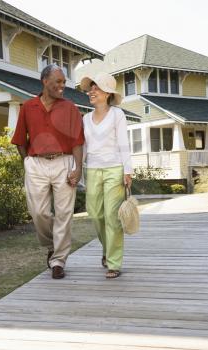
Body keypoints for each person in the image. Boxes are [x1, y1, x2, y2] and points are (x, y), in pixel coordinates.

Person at [11, 64, 84, 279]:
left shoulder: (70, 108)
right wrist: (28, 163)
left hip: (64, 162)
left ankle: (58, 260)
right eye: (58, 81)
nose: (62, 86)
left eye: (64, 82)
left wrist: (78, 168)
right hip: (36, 164)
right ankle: (52, 244)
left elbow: (78, 141)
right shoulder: (28, 107)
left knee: (64, 213)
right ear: (45, 81)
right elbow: (19, 141)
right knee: (39, 212)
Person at [81, 72, 133, 279]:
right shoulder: (85, 118)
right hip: (92, 170)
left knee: (112, 216)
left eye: (96, 87)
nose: (91, 90)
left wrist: (127, 170)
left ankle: (114, 262)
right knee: (95, 214)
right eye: (90, 87)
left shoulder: (117, 114)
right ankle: (106, 249)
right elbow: (84, 147)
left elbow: (123, 143)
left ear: (108, 93)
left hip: (114, 169)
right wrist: (76, 169)